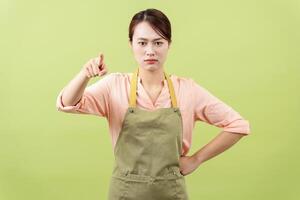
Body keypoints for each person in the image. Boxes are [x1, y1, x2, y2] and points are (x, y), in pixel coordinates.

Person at [56, 8, 251, 200]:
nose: (150, 51)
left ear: (169, 45)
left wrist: (196, 159)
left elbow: (238, 125)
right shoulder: (114, 86)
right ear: (131, 44)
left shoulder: (187, 90)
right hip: (124, 193)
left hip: (171, 193)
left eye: (158, 42)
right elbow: (67, 103)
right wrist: (84, 75)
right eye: (142, 43)